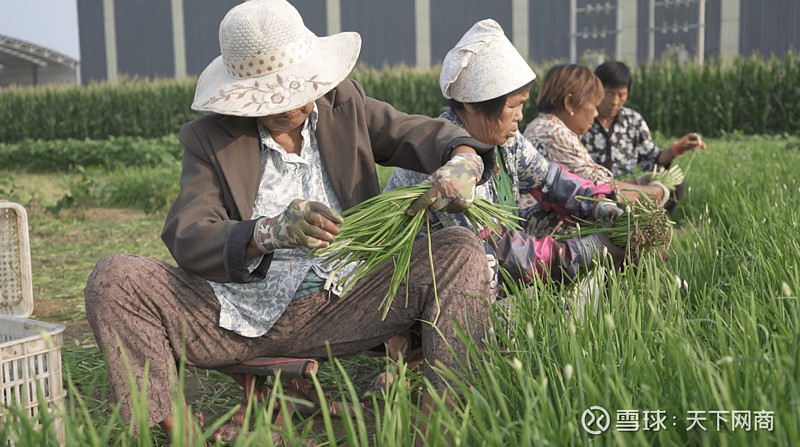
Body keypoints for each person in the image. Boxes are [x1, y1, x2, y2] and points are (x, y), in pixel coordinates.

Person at [83, 0, 497, 440]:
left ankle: (445, 418)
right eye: (269, 96)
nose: (288, 106)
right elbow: (189, 233)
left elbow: (417, 132)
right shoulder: (210, 139)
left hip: (347, 301)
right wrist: (268, 231)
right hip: (234, 317)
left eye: (297, 89)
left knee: (460, 252)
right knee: (115, 278)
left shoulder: (344, 105)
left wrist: (464, 159)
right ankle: (177, 429)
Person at [385, 19, 626, 291]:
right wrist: (582, 253)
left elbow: (547, 178)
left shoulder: (505, 139)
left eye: (523, 103)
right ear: (473, 106)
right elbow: (496, 250)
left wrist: (596, 202)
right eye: (515, 105)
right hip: (429, 283)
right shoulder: (448, 167)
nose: (521, 116)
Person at [522, 64, 671, 207]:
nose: (596, 113)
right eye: (593, 105)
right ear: (569, 103)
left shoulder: (538, 126)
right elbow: (601, 190)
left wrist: (638, 182)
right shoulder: (557, 135)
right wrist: (656, 193)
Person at [579, 60, 706, 213]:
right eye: (609, 94)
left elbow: (651, 158)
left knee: (675, 184)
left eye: (621, 94)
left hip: (631, 189)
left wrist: (677, 149)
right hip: (595, 194)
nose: (615, 101)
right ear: (596, 91)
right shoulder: (583, 121)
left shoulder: (633, 120)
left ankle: (653, 227)